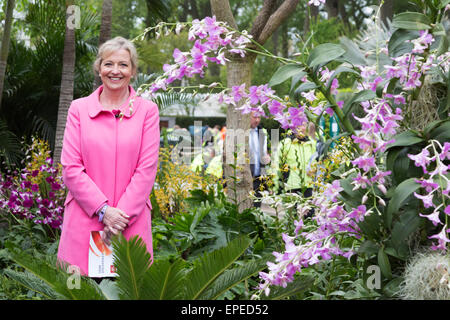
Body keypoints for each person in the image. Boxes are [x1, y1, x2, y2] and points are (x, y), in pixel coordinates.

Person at [57, 36, 160, 278]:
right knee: (80, 292)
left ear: (133, 71)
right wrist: (104, 211)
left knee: (128, 290)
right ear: (99, 68)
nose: (116, 71)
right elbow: (71, 168)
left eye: (123, 65)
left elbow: (146, 170)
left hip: (129, 222)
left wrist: (118, 216)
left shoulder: (148, 112)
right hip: (85, 219)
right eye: (108, 64)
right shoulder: (78, 109)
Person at [272, 122, 317, 217]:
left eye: (303, 125)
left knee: (309, 216)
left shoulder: (312, 144)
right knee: (293, 218)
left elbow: (316, 160)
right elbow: (276, 165)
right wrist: (275, 187)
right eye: (298, 126)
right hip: (291, 187)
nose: (301, 128)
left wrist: (314, 169)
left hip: (308, 185)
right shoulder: (285, 144)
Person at [248, 112, 270, 208]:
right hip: (246, 176)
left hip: (258, 177)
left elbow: (264, 153)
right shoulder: (241, 133)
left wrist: (267, 157)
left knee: (257, 207)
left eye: (259, 117)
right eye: (254, 117)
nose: (257, 120)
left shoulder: (261, 133)